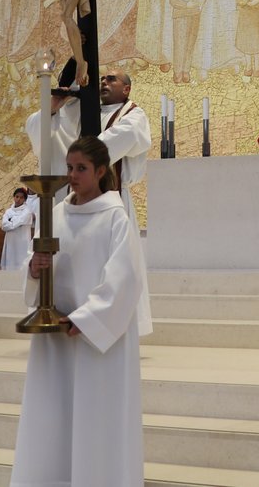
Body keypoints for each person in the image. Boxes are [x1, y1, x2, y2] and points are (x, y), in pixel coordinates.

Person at [10, 136, 143, 487]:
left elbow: (125, 278)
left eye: (81, 169)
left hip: (95, 339)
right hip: (56, 337)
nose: (72, 175)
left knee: (95, 417)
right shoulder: (56, 214)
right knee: (53, 415)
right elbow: (35, 260)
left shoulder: (115, 218)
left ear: (101, 171)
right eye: (69, 168)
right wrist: (34, 269)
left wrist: (85, 319)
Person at [96, 71, 153, 335]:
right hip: (86, 202)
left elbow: (122, 139)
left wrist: (82, 149)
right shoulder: (86, 112)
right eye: (102, 80)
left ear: (127, 89)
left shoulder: (134, 115)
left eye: (111, 79)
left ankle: (124, 326)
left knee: (120, 265)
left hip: (115, 199)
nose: (103, 83)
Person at [0, 188, 35, 270]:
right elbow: (4, 226)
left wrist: (11, 221)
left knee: (21, 266)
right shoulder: (8, 211)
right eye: (17, 196)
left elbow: (16, 223)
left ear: (25, 199)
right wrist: (13, 222)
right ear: (14, 197)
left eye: (21, 197)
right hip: (10, 243)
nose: (18, 199)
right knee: (9, 266)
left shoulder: (27, 212)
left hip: (22, 243)